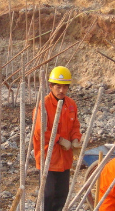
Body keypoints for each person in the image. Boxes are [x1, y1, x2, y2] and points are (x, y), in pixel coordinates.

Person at [33, 66, 82, 211]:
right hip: (48, 158)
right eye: (58, 87)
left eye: (65, 87)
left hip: (65, 159)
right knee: (48, 195)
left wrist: (75, 139)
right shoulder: (43, 105)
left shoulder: (71, 104)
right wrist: (59, 139)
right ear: (50, 86)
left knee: (62, 194)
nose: (61, 90)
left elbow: (75, 125)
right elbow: (40, 131)